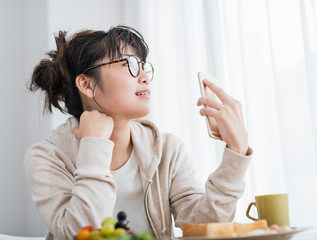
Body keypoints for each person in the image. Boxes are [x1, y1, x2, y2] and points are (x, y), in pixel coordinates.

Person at [25, 25, 252, 240]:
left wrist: (236, 152)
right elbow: (78, 234)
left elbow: (205, 228)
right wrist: (94, 144)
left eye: (143, 66)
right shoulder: (47, 157)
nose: (144, 76)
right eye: (129, 64)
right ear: (86, 84)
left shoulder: (167, 150)